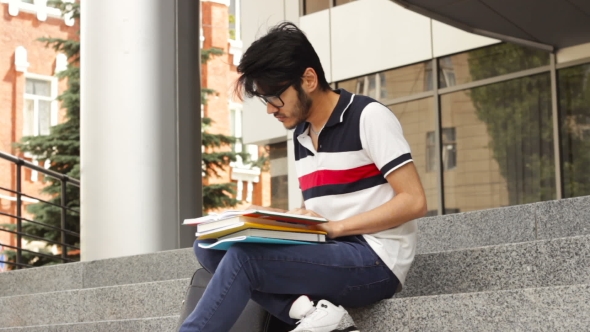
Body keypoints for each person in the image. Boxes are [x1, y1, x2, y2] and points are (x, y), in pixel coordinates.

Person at [179, 22, 427, 332]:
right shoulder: (301, 135)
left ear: (308, 79)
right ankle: (308, 312)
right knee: (209, 245)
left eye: (275, 97)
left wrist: (335, 227)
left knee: (244, 259)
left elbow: (414, 201)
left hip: (375, 260)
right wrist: (291, 222)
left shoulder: (368, 117)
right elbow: (324, 211)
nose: (271, 109)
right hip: (329, 251)